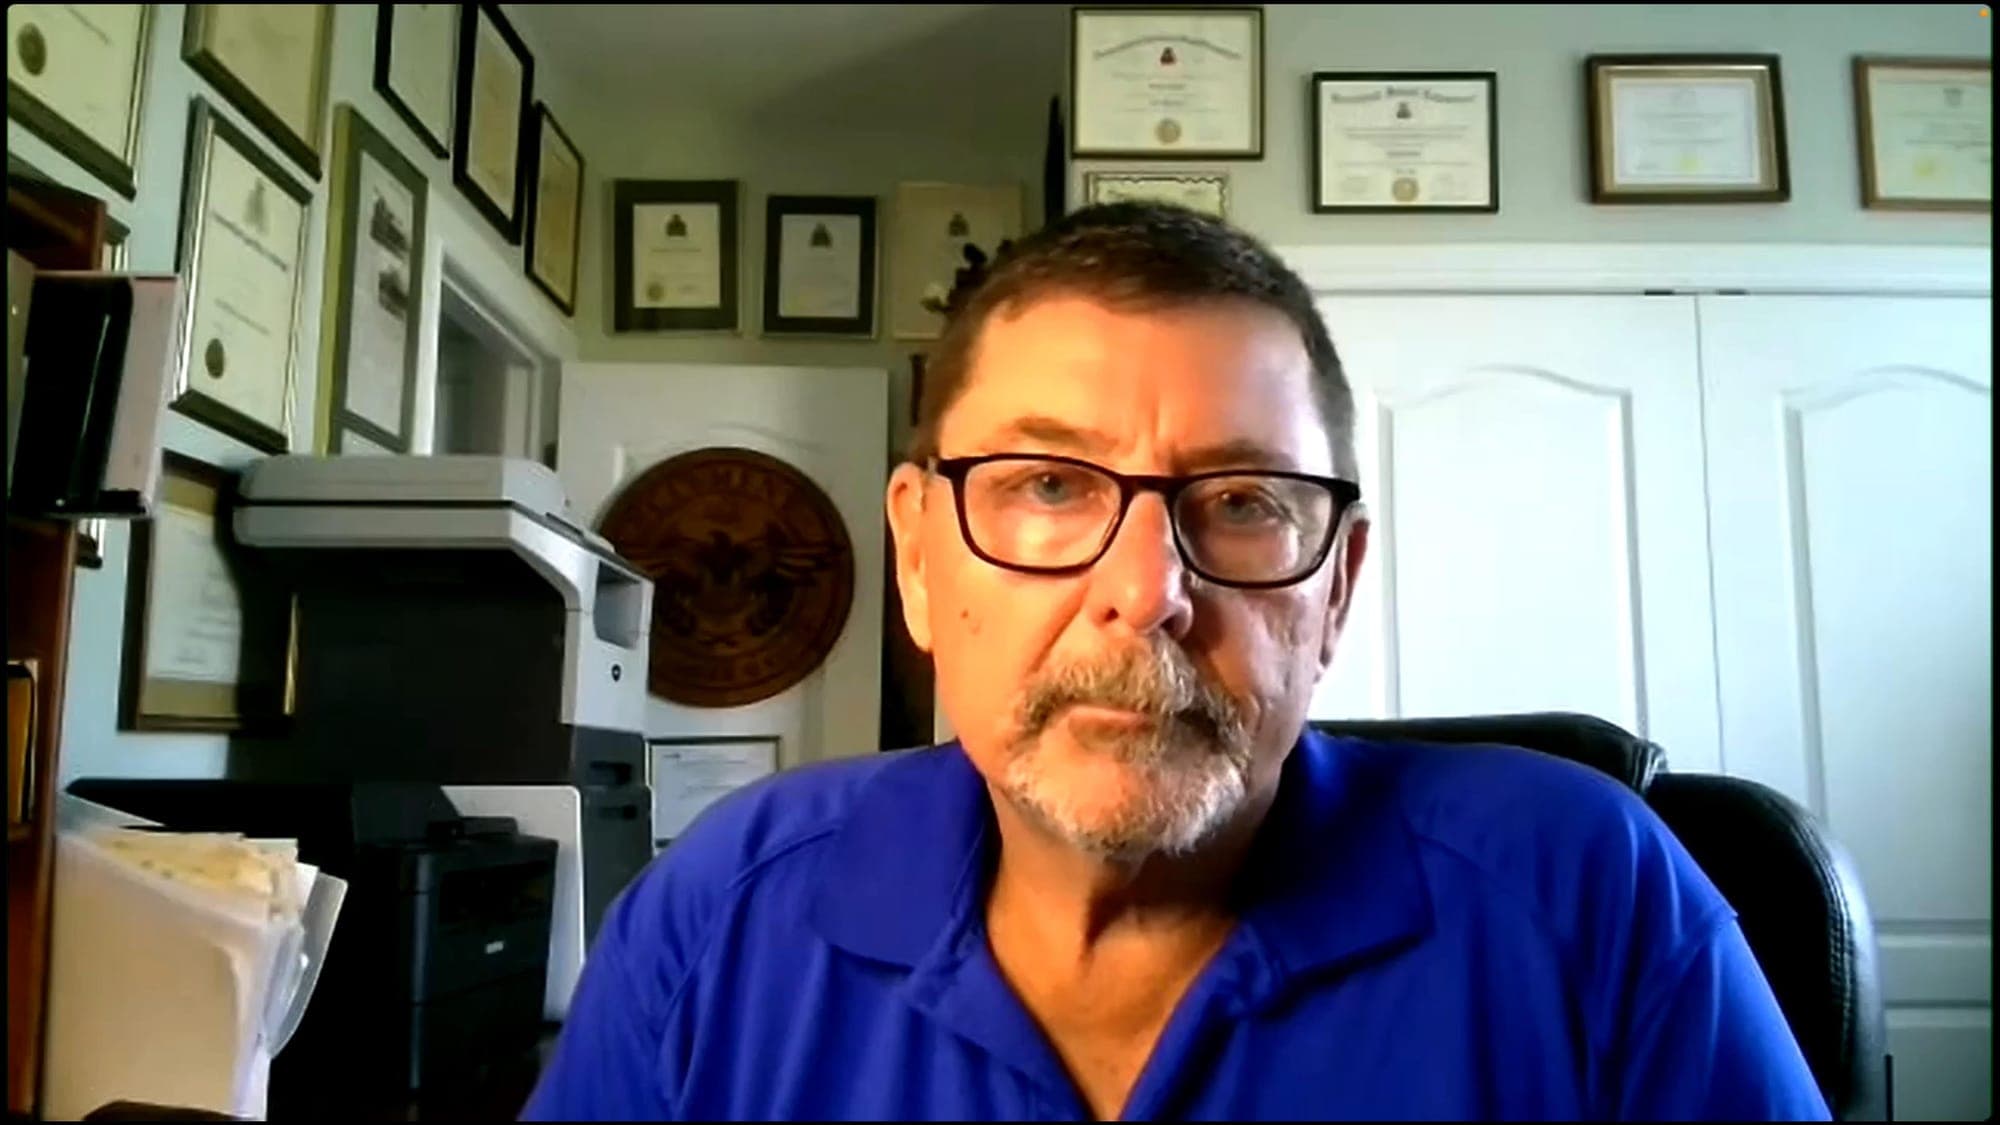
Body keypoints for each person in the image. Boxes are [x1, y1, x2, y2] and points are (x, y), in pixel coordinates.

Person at [522, 202, 1829, 1121]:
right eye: (1046, 483)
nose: (1148, 594)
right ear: (919, 559)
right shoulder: (716, 925)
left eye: (1245, 501)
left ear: (1337, 591)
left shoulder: (1595, 906)